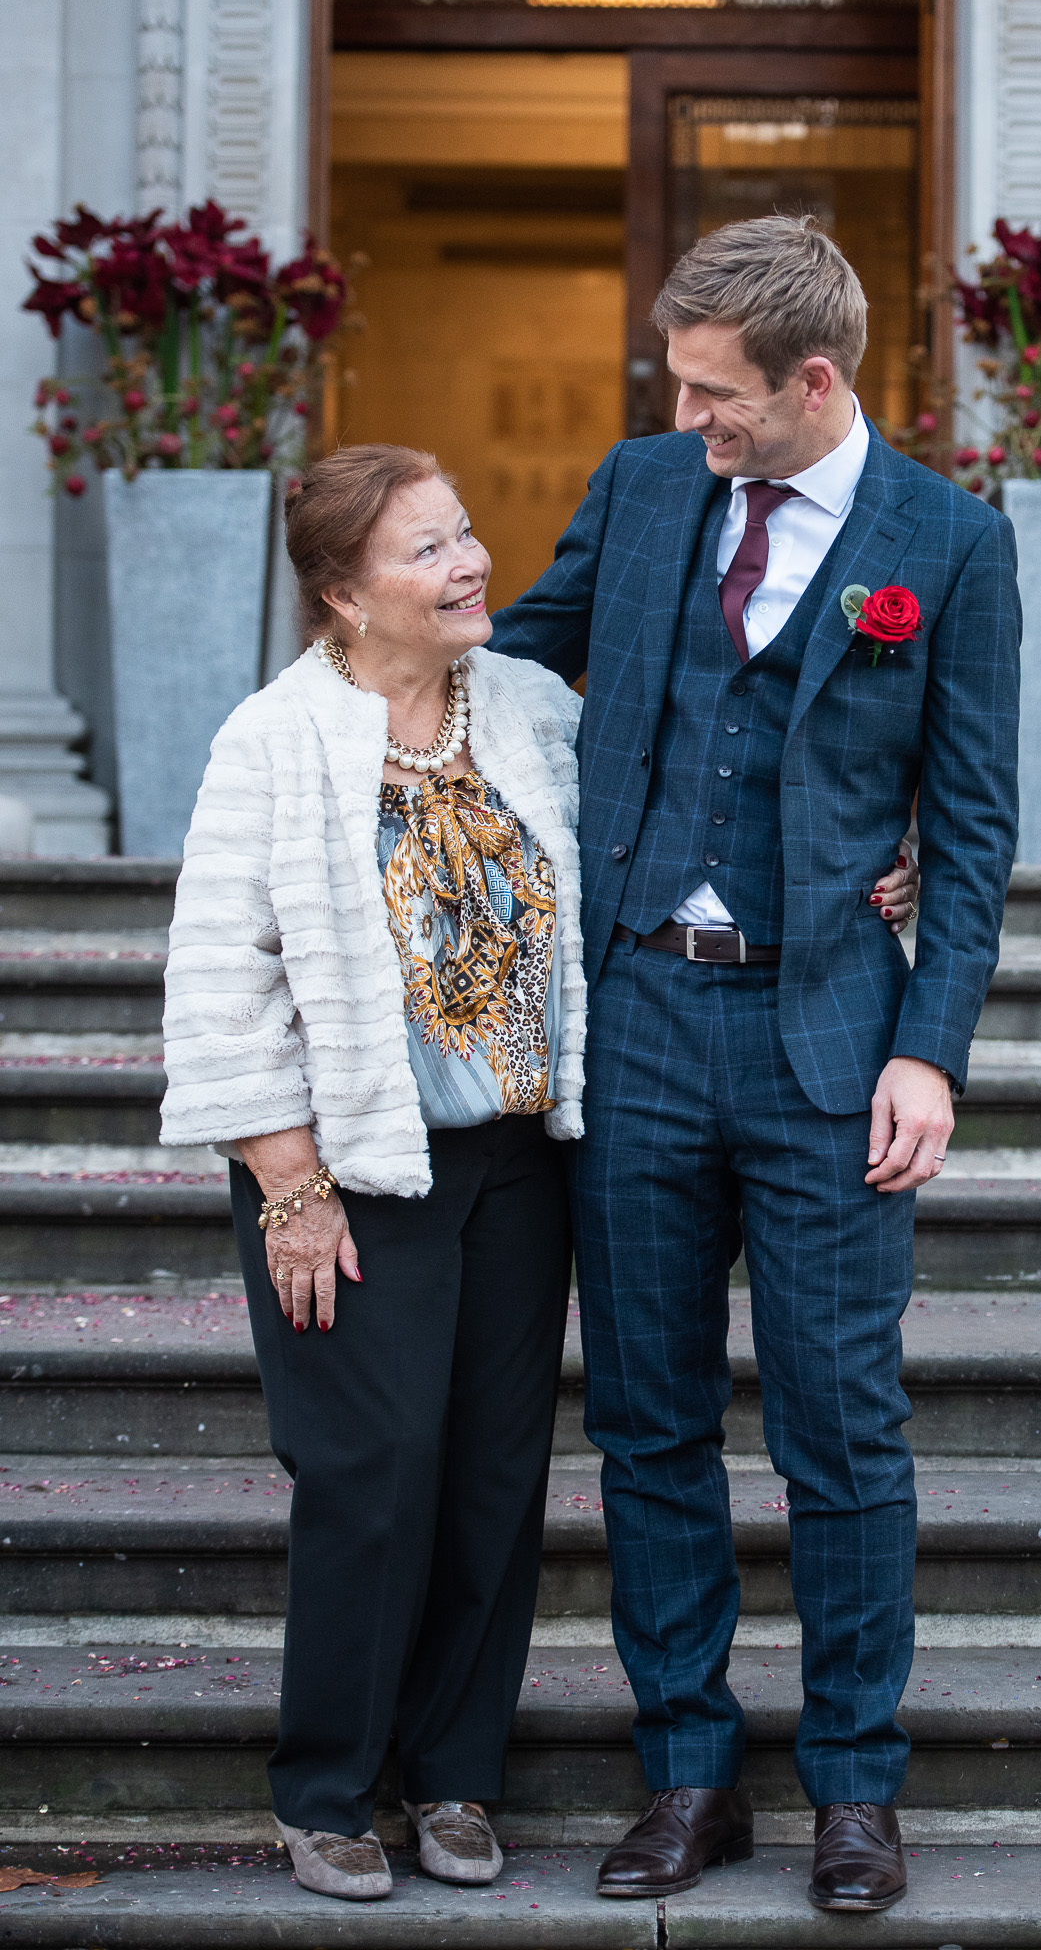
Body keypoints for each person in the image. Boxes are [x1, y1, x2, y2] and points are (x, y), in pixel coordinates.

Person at [489, 215, 1021, 1914]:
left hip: (831, 1034)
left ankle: (856, 1793)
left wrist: (930, 1050)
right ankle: (687, 1772)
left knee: (842, 1428)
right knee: (647, 1421)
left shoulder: (948, 541)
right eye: (677, 382)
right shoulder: (648, 488)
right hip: (640, 1012)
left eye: (718, 393)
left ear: (813, 381)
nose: (689, 414)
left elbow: (980, 826)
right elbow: (509, 666)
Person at [159, 443, 589, 1902]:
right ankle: (331, 1785)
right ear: (345, 594)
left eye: (466, 534)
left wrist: (881, 857)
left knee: (490, 1477)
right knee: (367, 1475)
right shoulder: (270, 741)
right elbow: (221, 977)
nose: (469, 564)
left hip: (520, 1166)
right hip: (348, 1176)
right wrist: (288, 1180)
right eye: (427, 551)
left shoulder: (533, 709)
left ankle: (456, 1775)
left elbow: (652, 848)